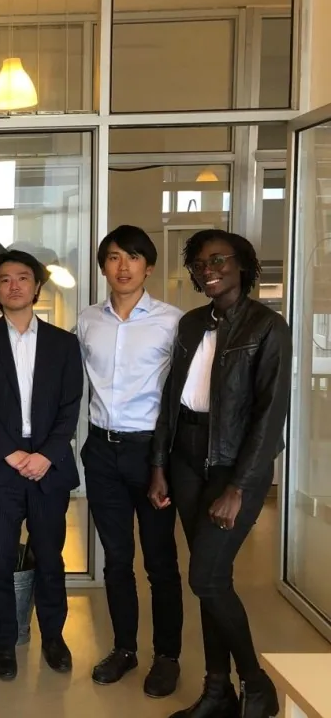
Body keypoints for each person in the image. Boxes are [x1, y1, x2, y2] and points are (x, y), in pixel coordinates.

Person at [149, 230, 291, 718]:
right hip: (186, 458)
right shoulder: (191, 324)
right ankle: (217, 691)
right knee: (212, 579)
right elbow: (170, 399)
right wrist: (159, 465)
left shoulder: (268, 327)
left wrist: (239, 487)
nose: (207, 270)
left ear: (242, 264)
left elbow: (269, 417)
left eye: (217, 260)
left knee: (206, 578)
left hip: (234, 464)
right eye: (198, 264)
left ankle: (256, 683)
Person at [0, 250, 83, 681]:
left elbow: (71, 405)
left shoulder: (63, 343)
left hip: (49, 464)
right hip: (2, 464)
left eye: (22, 278)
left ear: (36, 287)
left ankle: (53, 636)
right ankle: (4, 640)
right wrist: (11, 454)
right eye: (4, 279)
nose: (14, 286)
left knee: (50, 556)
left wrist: (46, 455)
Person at [76, 226, 184, 697]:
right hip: (102, 451)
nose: (123, 267)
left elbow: (181, 395)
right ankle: (124, 648)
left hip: (152, 455)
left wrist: (166, 460)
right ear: (104, 265)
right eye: (115, 257)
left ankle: (167, 656)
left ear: (149, 267)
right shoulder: (87, 321)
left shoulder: (171, 321)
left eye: (133, 257)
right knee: (116, 560)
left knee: (160, 561)